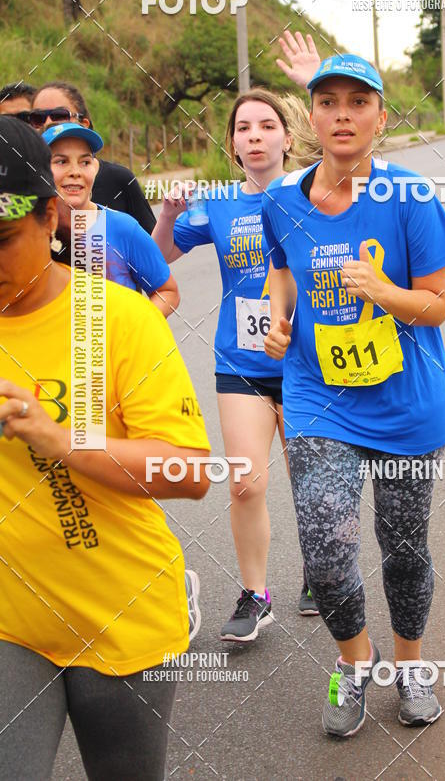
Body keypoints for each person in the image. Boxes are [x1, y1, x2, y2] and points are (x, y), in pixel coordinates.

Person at [0, 116, 211, 780]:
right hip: (12, 621)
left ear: (50, 218)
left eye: (2, 239)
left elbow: (192, 471)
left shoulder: (118, 319)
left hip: (122, 614)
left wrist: (59, 438)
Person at [262, 54, 445, 736]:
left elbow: (436, 305)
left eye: (358, 102)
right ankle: (355, 661)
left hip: (407, 404)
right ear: (310, 116)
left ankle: (410, 664)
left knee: (403, 549)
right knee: (324, 547)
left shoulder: (410, 197)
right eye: (328, 102)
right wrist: (277, 317)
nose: (342, 115)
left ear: (379, 116)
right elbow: (281, 275)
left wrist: (384, 293)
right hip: (321, 399)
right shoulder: (282, 199)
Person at [153, 85, 322, 641]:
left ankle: (319, 573)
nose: (254, 136)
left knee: (313, 484)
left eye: (266, 126)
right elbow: (162, 257)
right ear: (232, 143)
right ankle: (256, 593)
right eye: (243, 128)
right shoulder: (219, 203)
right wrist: (168, 214)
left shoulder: (314, 194)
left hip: (310, 364)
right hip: (241, 363)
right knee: (246, 484)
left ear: (288, 137)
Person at [41, 122, 179, 318]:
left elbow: (167, 292)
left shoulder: (123, 228)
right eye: (61, 161)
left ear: (95, 168)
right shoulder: (29, 232)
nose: (75, 171)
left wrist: (134, 329)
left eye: (85, 162)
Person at [30, 82, 157, 233]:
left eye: (59, 116)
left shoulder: (119, 180)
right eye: (38, 118)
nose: (48, 124)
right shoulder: (17, 185)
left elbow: (153, 249)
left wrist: (169, 216)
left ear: (84, 124)